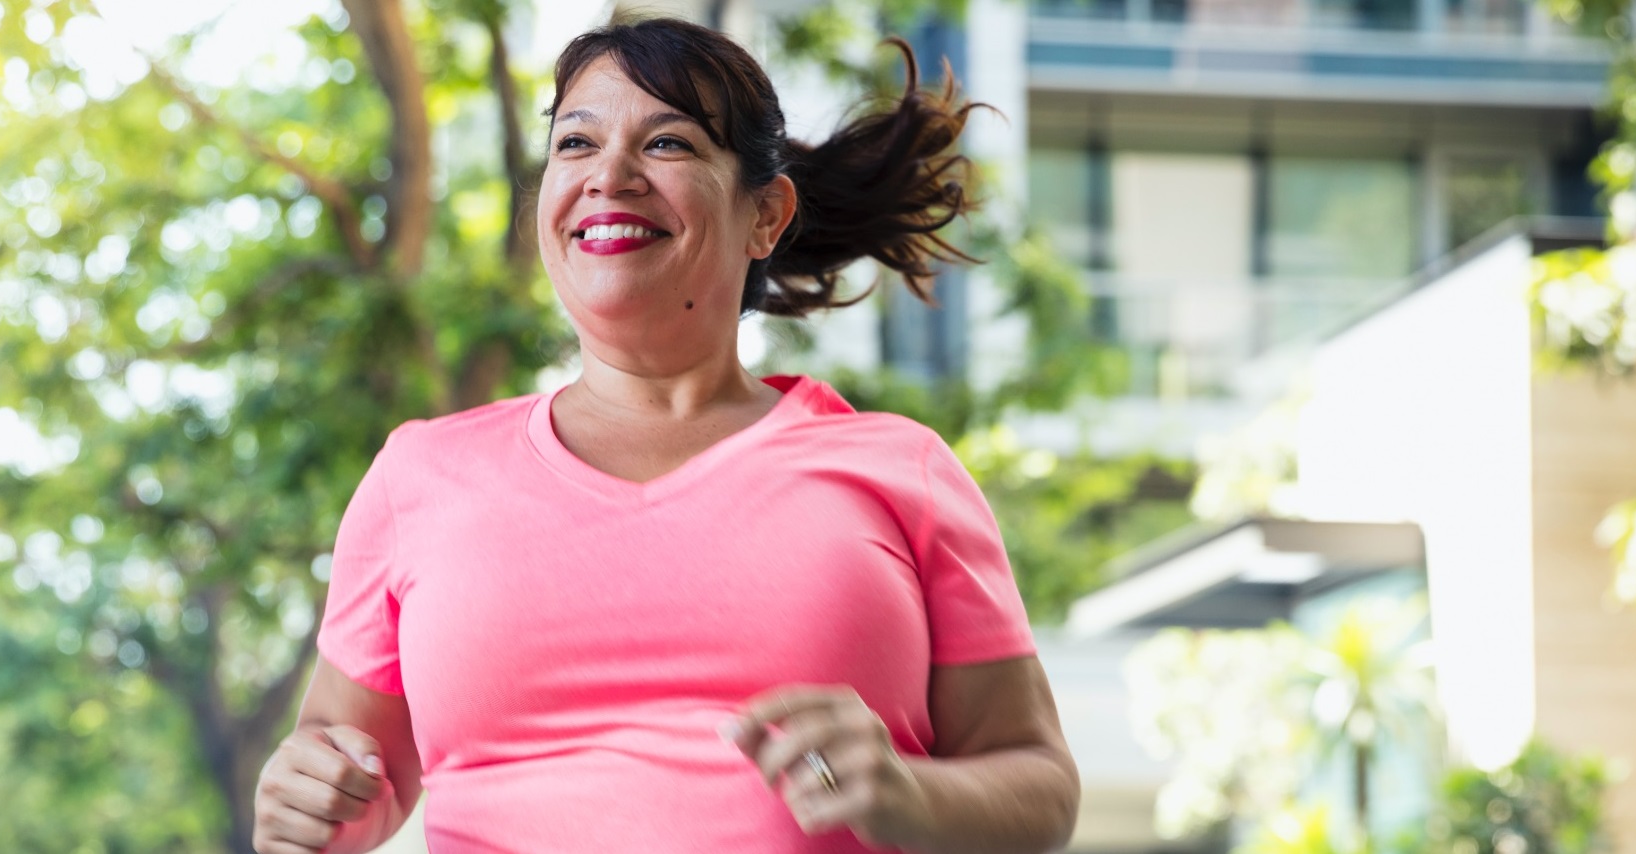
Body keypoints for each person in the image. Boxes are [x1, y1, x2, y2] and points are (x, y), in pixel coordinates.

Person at [251, 16, 1079, 854]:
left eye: (670, 145)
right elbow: (341, 774)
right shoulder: (419, 475)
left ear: (766, 215)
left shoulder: (900, 468)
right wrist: (306, 801)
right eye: (575, 143)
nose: (609, 175)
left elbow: (1038, 786)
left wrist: (913, 795)